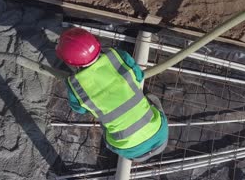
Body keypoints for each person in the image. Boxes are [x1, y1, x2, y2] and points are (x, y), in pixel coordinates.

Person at [56, 28, 169, 162]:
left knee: (107, 125)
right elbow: (139, 75)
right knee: (150, 98)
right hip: (160, 133)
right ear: (96, 43)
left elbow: (79, 109)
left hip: (130, 150)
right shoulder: (119, 57)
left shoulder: (75, 85)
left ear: (70, 62)